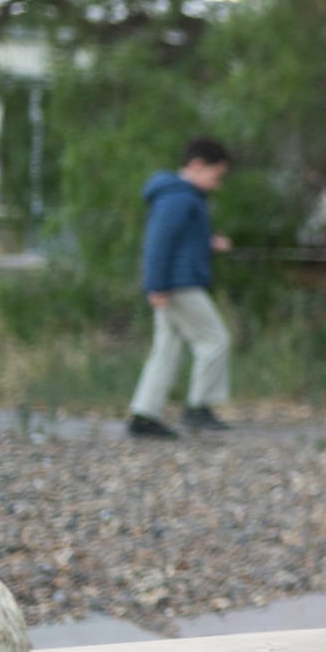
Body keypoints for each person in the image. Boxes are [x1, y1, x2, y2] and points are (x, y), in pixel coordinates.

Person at [126, 137, 235, 438]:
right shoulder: (179, 197)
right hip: (179, 286)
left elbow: (181, 240)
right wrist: (156, 285)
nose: (217, 184)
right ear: (197, 166)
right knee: (215, 339)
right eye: (216, 176)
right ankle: (197, 408)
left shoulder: (184, 197)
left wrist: (209, 243)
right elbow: (158, 244)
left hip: (173, 283)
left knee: (167, 349)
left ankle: (144, 416)